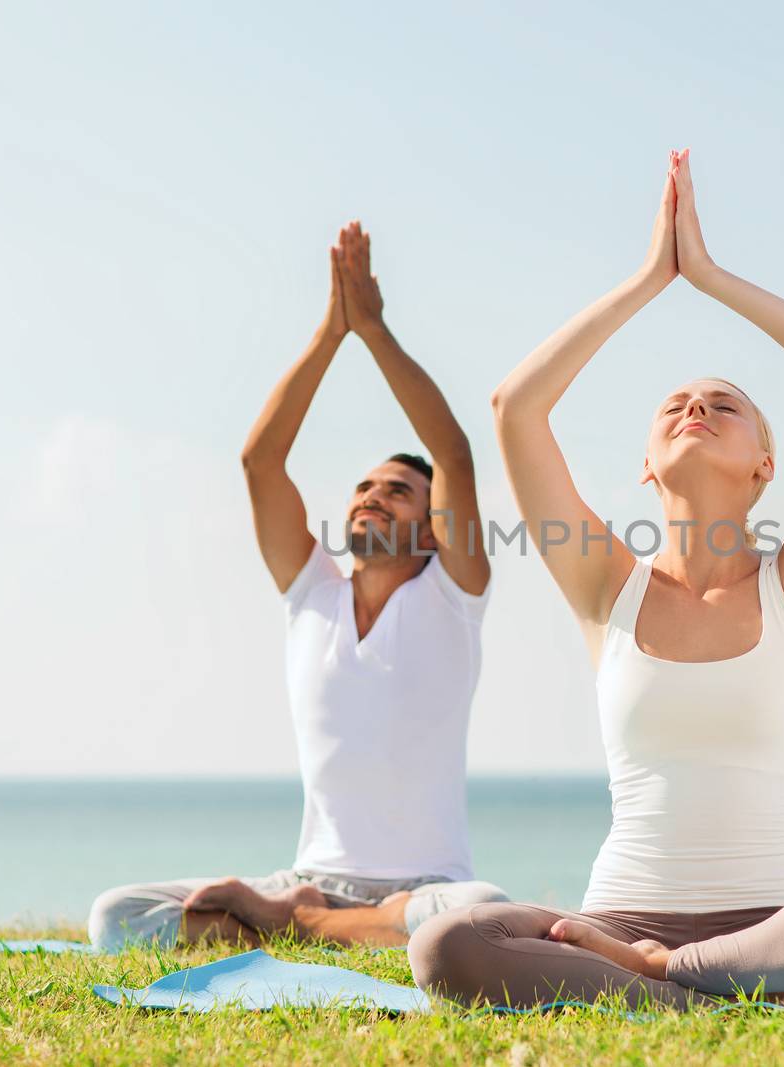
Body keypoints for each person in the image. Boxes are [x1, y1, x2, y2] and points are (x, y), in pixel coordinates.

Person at [408, 150, 784, 1009]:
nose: (694, 408)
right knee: (448, 942)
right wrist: (647, 279)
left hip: (779, 925)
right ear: (646, 466)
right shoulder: (608, 587)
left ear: (764, 466)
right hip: (618, 920)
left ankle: (677, 984)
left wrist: (708, 276)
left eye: (725, 404)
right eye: (673, 405)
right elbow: (515, 407)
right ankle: (746, 998)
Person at [88, 220, 508, 952]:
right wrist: (329, 332)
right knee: (116, 915)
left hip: (423, 885)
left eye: (398, 491)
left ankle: (298, 927)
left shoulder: (452, 594)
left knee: (482, 910)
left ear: (435, 525)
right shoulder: (311, 592)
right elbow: (260, 461)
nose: (372, 496)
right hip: (307, 873)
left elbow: (453, 451)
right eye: (363, 486)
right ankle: (316, 918)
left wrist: (372, 330)